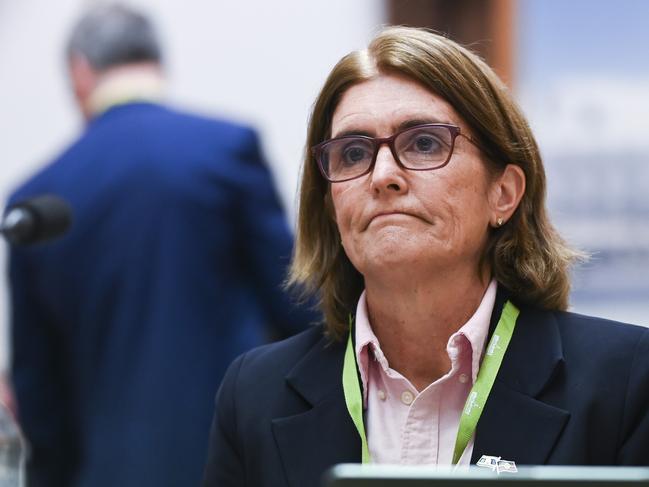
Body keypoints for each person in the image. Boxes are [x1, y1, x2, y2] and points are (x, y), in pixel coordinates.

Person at [202, 26, 649, 486]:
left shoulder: (627, 380)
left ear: (504, 192)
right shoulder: (254, 394)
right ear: (331, 206)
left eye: (424, 143)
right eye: (353, 154)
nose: (382, 176)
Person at [7, 4, 314, 487]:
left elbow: (38, 386)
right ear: (156, 62)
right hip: (232, 460)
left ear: (79, 72)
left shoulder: (37, 197)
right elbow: (296, 306)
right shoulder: (225, 150)